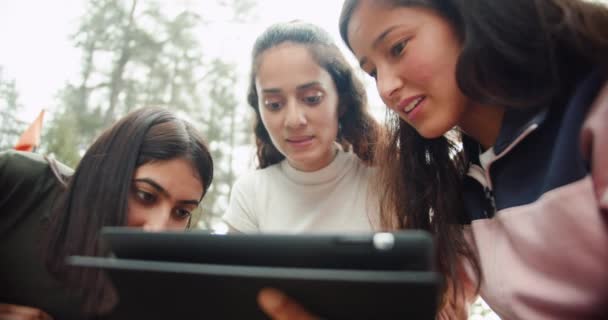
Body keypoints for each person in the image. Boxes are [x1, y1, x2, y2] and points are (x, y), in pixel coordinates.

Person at [257, 0, 608, 319]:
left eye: (397, 48)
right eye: (373, 72)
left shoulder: (594, 113)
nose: (386, 87)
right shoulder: (455, 188)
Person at [0, 107, 214, 320]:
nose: (158, 229)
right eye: (145, 196)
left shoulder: (165, 291)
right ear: (106, 174)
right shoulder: (17, 181)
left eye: (181, 212)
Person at [223, 21, 383, 233]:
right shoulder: (251, 194)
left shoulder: (383, 183)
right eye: (274, 105)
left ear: (342, 101)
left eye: (311, 98)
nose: (294, 120)